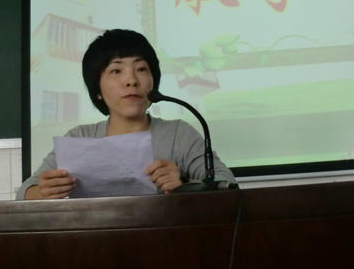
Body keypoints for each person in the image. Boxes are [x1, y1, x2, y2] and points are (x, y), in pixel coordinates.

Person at [17, 29, 236, 200]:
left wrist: (184, 183)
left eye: (141, 69)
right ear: (97, 90)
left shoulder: (178, 133)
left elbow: (225, 183)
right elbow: (24, 193)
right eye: (116, 70)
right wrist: (44, 191)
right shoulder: (79, 138)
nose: (132, 80)